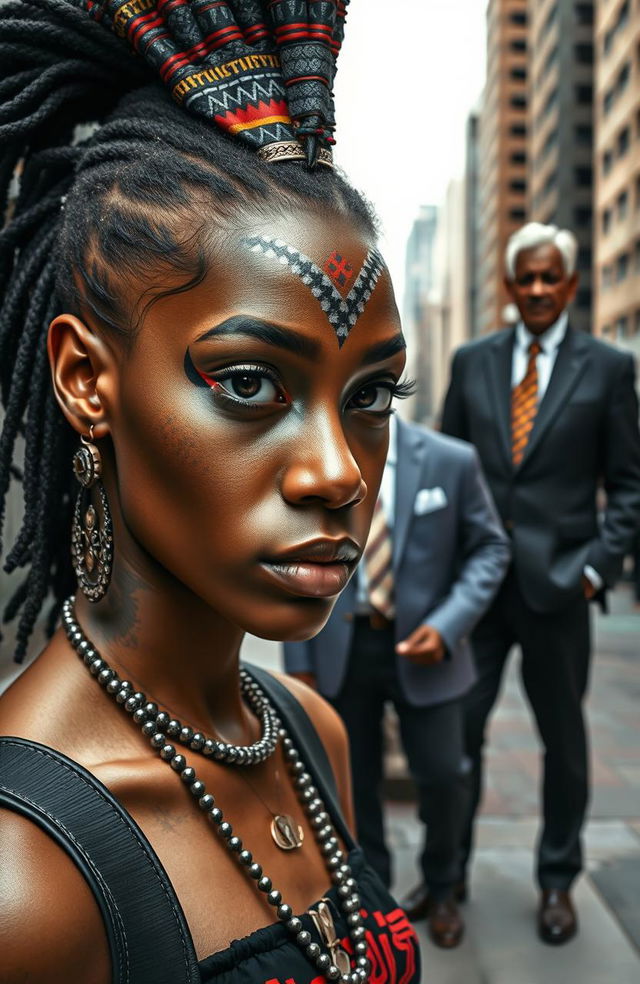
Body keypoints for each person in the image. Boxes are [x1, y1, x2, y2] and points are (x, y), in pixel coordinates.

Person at [0, 2, 422, 983]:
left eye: (370, 396)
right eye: (247, 384)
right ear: (85, 380)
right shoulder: (26, 878)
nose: (339, 472)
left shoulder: (309, 736)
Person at [441, 221, 640, 945]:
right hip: (478, 586)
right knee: (456, 736)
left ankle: (557, 879)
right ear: (508, 284)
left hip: (560, 590)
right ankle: (447, 879)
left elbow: (628, 486)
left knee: (565, 744)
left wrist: (595, 567)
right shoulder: (472, 364)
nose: (535, 289)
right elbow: (447, 468)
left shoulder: (609, 370)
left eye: (548, 277)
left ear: (571, 285)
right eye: (524, 277)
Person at [283, 414, 511, 949]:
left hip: (429, 649)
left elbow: (491, 549)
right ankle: (372, 896)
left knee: (444, 777)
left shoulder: (452, 460)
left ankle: (443, 885)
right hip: (341, 645)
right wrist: (300, 659)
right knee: (351, 781)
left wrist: (449, 624)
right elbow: (293, 548)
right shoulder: (317, 455)